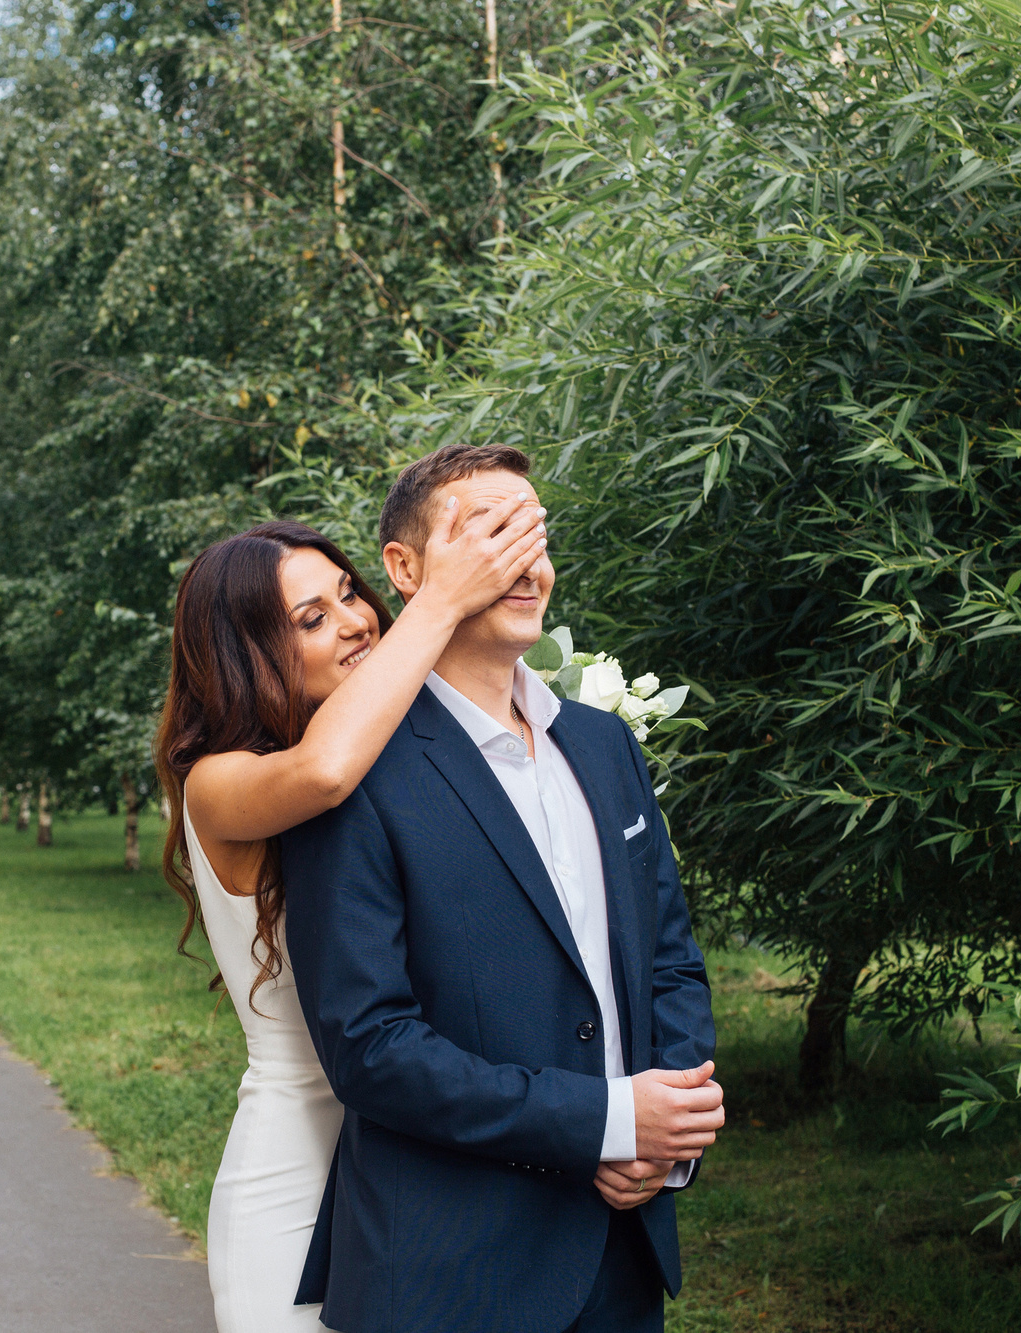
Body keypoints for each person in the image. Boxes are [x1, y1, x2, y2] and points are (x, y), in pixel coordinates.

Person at [283, 444, 722, 1333]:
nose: (527, 556)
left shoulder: (607, 746)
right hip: (453, 1272)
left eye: (537, 530)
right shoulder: (346, 772)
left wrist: (661, 1136)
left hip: (620, 1258)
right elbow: (372, 1046)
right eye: (491, 531)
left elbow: (669, 959)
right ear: (405, 569)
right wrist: (602, 1120)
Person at [155, 493, 550, 1333]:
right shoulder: (220, 783)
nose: (355, 621)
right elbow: (325, 769)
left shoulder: (393, 763)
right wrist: (441, 598)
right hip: (298, 1177)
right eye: (310, 616)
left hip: (422, 1161)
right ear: (249, 653)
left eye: (348, 592)